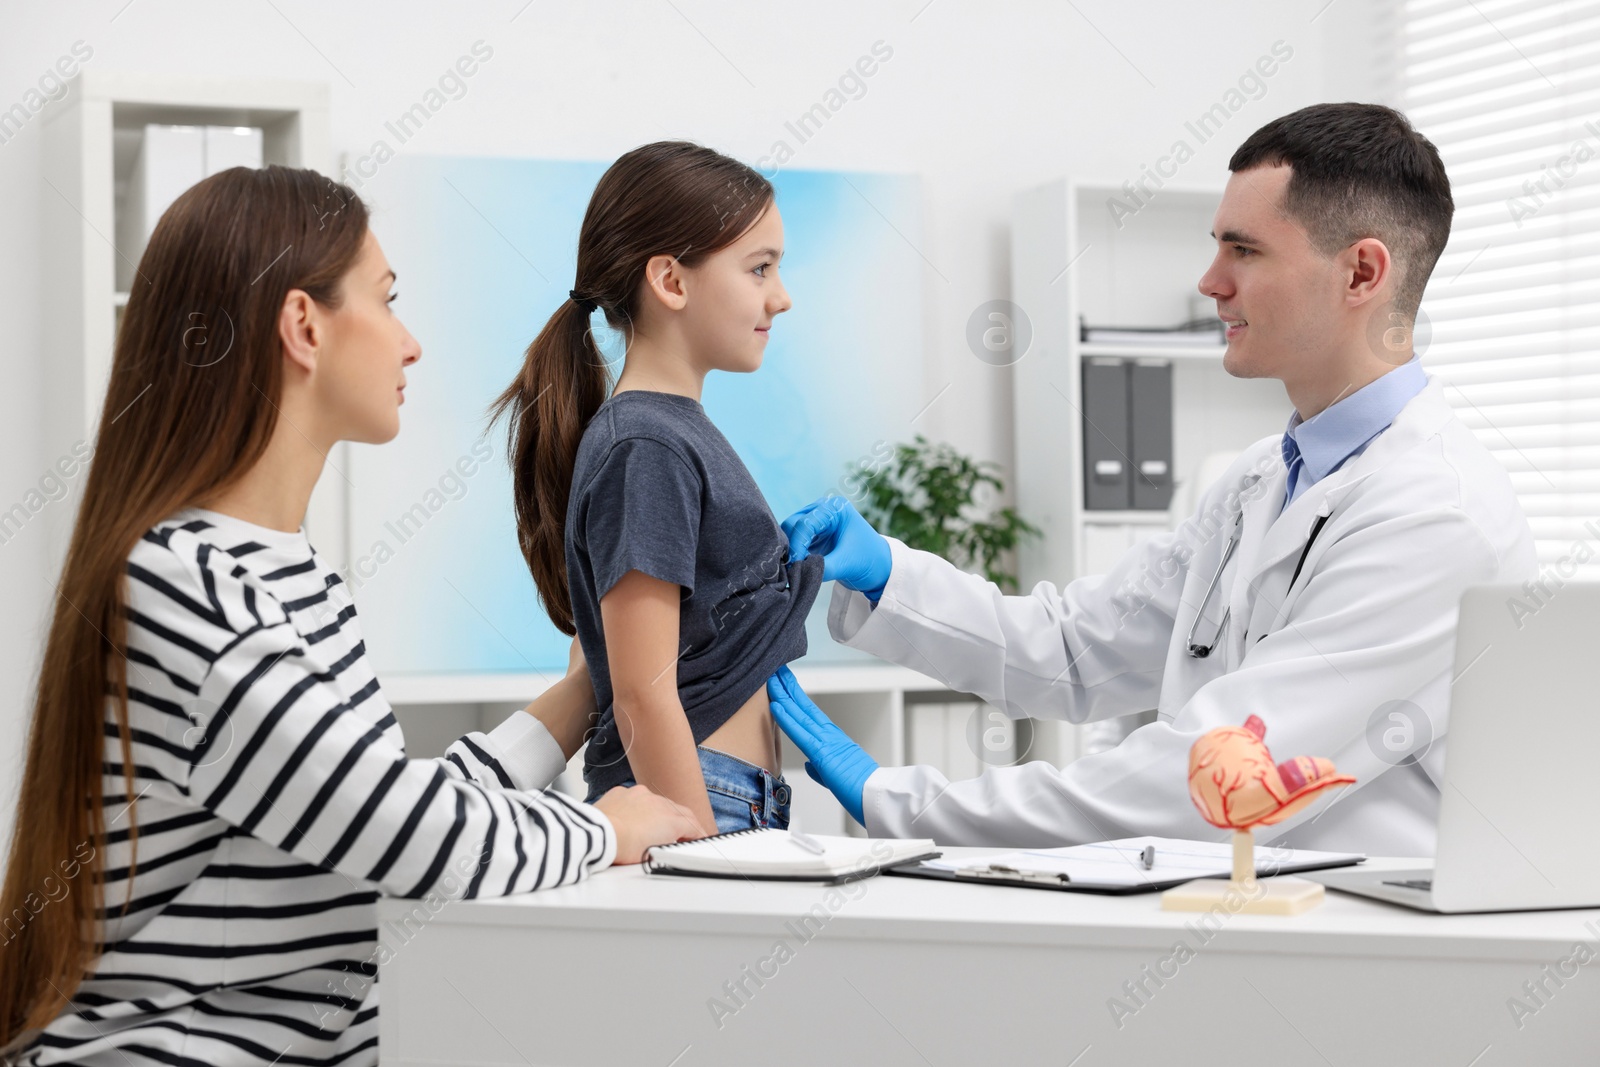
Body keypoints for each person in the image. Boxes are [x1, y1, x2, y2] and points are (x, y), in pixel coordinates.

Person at [0, 166, 701, 1067]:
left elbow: (370, 804)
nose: (411, 344)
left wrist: (575, 697)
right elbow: (409, 833)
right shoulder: (181, 586)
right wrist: (611, 829)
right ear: (303, 325)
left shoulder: (295, 577)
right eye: (388, 300)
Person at [769, 102, 1537, 857]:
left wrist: (905, 801)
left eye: (1245, 250)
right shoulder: (1260, 480)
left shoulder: (1436, 516)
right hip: (1246, 917)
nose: (1210, 281)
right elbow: (1074, 647)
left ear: (1362, 272)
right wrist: (888, 577)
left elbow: (1220, 780)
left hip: (1368, 955)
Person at [492, 142, 822, 836]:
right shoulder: (646, 445)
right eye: (759, 268)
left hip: (732, 794)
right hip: (702, 803)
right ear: (671, 280)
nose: (781, 296)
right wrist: (707, 859)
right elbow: (642, 697)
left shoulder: (663, 434)